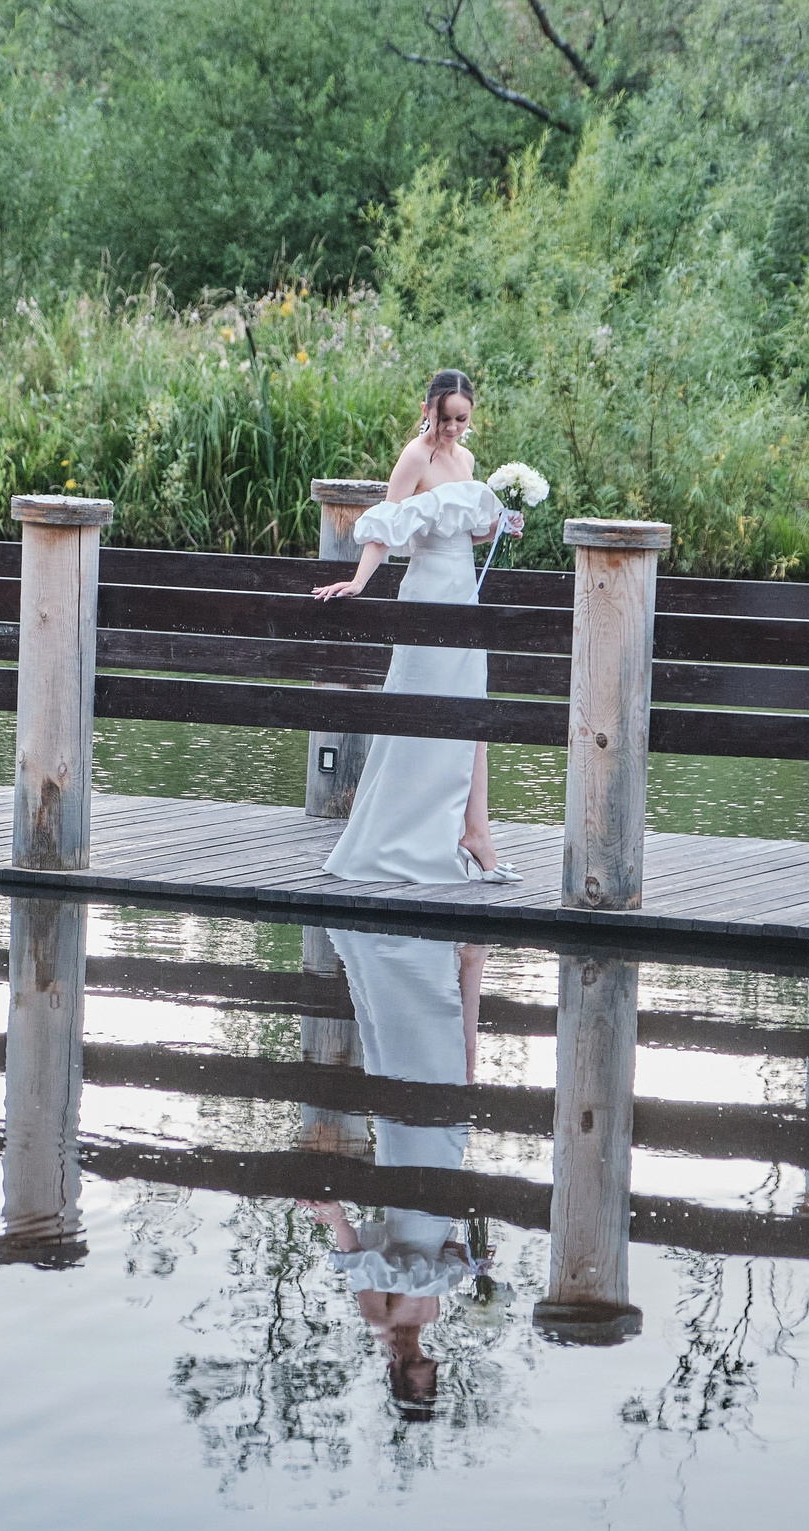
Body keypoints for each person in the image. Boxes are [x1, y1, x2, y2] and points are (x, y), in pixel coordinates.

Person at [312, 370, 522, 884]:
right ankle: (408, 836)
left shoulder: (467, 461)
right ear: (427, 408)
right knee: (423, 714)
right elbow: (388, 527)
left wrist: (499, 526)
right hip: (427, 591)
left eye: (461, 419)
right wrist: (360, 580)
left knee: (472, 713)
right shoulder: (414, 458)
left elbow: (462, 533)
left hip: (464, 594)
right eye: (444, 417)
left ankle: (476, 834)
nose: (452, 428)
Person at [300, 930, 488, 1422]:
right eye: (428, 1363)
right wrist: (474, 1257)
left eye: (416, 1366)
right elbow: (443, 1250)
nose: (420, 1356)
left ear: (398, 1370)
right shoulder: (432, 1313)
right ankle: (467, 964)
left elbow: (357, 1257)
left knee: (423, 1080)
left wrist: (336, 1215)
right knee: (459, 1086)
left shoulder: (379, 1318)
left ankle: (428, 966)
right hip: (442, 1195)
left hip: (405, 1190)